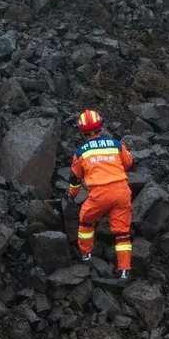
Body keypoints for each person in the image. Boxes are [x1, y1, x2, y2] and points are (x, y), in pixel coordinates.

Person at [68, 109, 136, 280]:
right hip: (121, 191)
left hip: (99, 194)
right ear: (101, 126)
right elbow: (128, 162)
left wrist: (71, 194)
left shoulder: (80, 153)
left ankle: (86, 255)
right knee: (122, 233)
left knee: (86, 221)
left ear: (82, 132)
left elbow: (75, 177)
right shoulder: (116, 144)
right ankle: (124, 271)